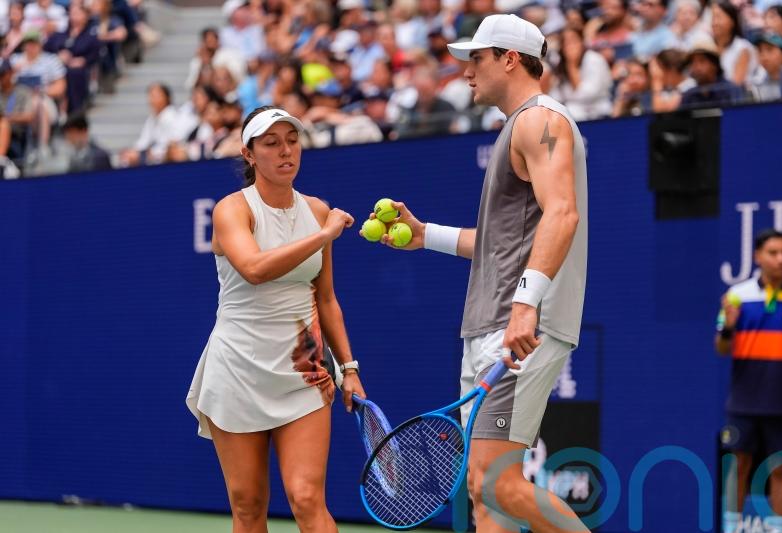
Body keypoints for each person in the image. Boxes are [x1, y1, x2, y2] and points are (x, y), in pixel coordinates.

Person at [365, 14, 589, 533]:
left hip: (518, 325)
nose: (466, 71)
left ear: (509, 59)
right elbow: (498, 245)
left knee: (497, 483)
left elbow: (562, 214)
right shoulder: (520, 126)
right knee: (484, 492)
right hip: (493, 323)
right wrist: (424, 235)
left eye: (477, 58)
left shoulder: (540, 121)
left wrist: (525, 306)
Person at [186, 106, 365, 533]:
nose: (286, 151)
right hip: (237, 371)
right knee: (248, 506)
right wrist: (323, 236)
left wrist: (350, 367)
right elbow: (254, 268)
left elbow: (326, 298)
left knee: (306, 498)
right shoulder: (232, 210)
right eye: (271, 143)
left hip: (303, 373)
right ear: (249, 154)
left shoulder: (317, 210)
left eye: (292, 140)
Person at [716, 229, 782, 533]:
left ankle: (778, 529)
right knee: (739, 467)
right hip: (745, 401)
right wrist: (729, 327)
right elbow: (721, 347)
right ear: (757, 257)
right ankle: (731, 528)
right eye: (773, 253)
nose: (781, 259)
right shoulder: (735, 296)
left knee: (780, 469)